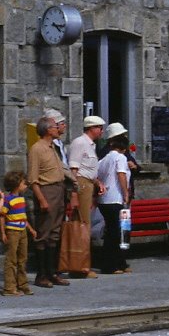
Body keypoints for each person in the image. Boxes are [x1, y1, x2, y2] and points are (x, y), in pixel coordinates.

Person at [27, 115, 69, 288]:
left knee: (55, 233)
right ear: (46, 130)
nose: (57, 129)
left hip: (59, 190)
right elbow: (33, 178)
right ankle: (41, 274)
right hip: (47, 190)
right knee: (44, 233)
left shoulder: (53, 147)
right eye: (54, 126)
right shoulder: (37, 149)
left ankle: (52, 272)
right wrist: (42, 199)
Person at [67, 114, 106, 278]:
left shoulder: (90, 145)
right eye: (99, 128)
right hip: (81, 184)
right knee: (84, 224)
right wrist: (74, 192)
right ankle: (81, 266)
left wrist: (97, 182)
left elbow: (88, 168)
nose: (102, 131)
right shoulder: (80, 143)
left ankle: (82, 264)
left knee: (85, 224)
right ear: (91, 128)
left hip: (88, 183)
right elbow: (74, 170)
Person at [96, 123, 132, 275]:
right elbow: (121, 175)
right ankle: (111, 264)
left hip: (105, 200)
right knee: (119, 232)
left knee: (117, 231)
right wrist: (126, 193)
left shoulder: (104, 159)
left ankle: (120, 262)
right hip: (117, 199)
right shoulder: (120, 158)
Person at [0, 170, 36, 296]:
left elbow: (23, 217)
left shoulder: (21, 199)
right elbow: (2, 216)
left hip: (22, 231)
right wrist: (3, 232)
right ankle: (9, 287)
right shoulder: (8, 199)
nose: (25, 185)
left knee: (22, 258)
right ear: (16, 184)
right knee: (11, 259)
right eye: (23, 183)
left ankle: (22, 284)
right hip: (12, 231)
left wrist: (30, 229)